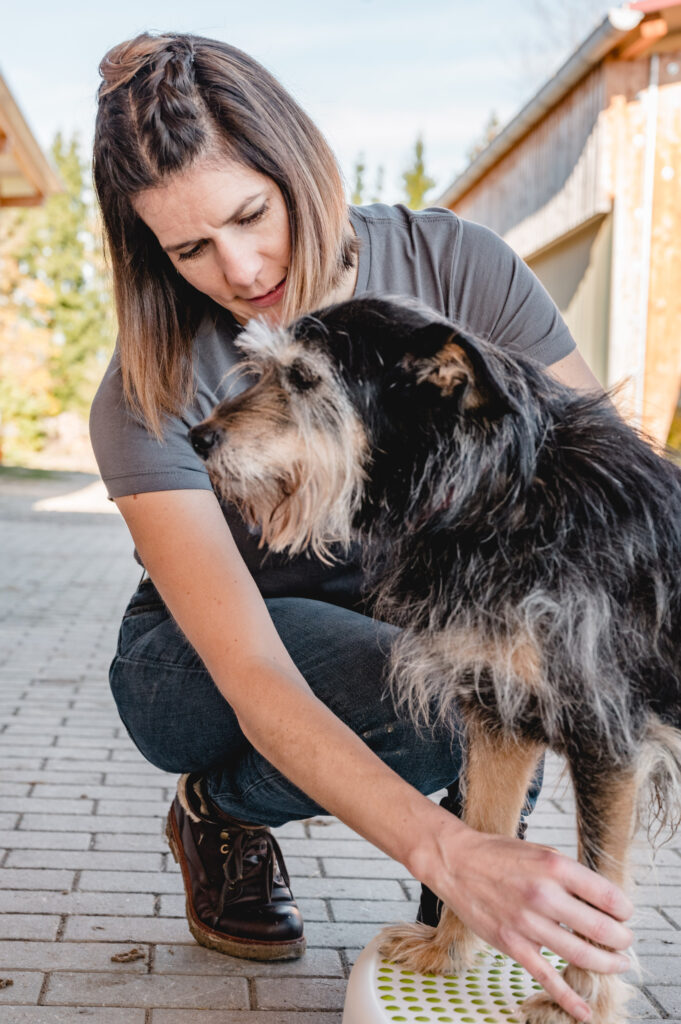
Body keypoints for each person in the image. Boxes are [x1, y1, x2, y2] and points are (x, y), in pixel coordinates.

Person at [89, 32, 633, 1019]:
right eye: (189, 249)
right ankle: (217, 812)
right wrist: (446, 848)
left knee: (516, 653)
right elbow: (256, 675)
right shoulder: (149, 390)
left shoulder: (454, 268)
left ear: (299, 164)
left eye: (250, 215)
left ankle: (464, 893)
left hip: (411, 618)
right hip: (200, 662)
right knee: (433, 696)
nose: (241, 268)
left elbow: (597, 493)